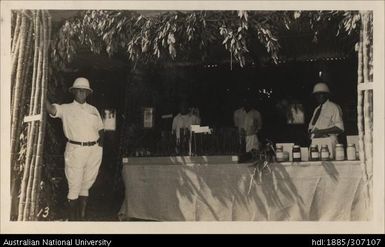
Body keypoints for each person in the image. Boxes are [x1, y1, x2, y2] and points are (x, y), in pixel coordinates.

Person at [46, 77, 104, 221]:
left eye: (85, 91)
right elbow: (51, 110)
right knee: (74, 184)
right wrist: (42, 95)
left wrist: (99, 146)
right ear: (74, 92)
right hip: (75, 150)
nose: (82, 93)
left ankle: (82, 217)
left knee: (86, 184)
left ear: (88, 93)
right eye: (79, 90)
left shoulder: (93, 109)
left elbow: (101, 129)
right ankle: (73, 220)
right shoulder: (66, 108)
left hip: (94, 150)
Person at [308, 82, 344, 157]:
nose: (318, 97)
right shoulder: (317, 109)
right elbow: (312, 128)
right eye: (316, 95)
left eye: (320, 94)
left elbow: (340, 128)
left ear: (326, 95)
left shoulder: (333, 107)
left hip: (328, 142)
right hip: (315, 143)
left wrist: (321, 132)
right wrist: (311, 133)